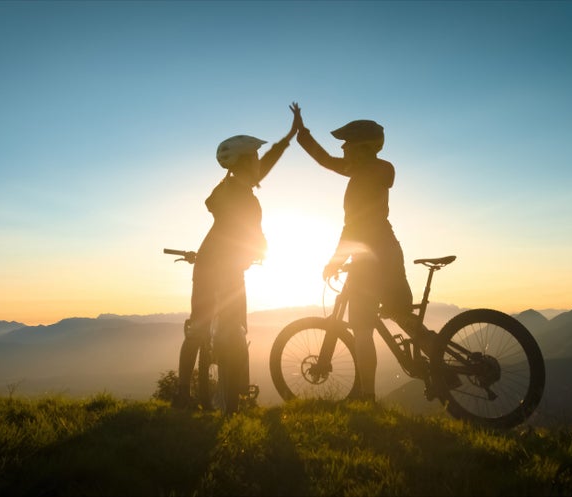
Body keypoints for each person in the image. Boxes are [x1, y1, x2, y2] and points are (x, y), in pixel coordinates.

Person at [290, 103, 414, 403]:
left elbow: (353, 229)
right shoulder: (375, 171)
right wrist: (302, 133)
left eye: (347, 144)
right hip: (389, 253)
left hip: (367, 262)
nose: (343, 149)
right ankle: (438, 364)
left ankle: (367, 397)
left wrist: (334, 262)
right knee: (406, 320)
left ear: (361, 147)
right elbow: (326, 159)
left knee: (361, 330)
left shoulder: (361, 178)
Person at [174, 115, 297, 413]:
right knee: (215, 327)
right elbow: (247, 229)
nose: (258, 161)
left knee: (209, 327)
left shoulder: (234, 186)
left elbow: (266, 164)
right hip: (222, 267)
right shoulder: (238, 195)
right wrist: (262, 247)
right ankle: (207, 393)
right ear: (243, 162)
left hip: (218, 264)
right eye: (254, 156)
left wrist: (288, 137)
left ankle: (198, 395)